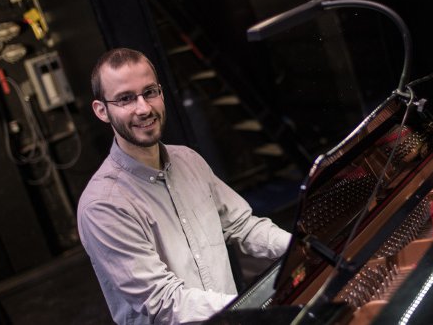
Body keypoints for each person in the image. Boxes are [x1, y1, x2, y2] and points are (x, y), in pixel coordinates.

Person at [77, 48, 291, 325]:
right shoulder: (103, 206)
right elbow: (164, 301)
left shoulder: (188, 160)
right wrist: (253, 311)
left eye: (150, 92)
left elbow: (243, 226)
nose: (143, 108)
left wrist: (305, 246)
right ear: (102, 111)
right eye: (126, 98)